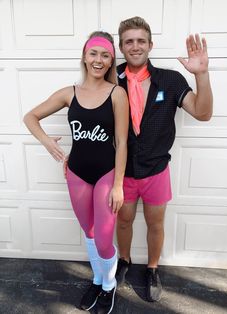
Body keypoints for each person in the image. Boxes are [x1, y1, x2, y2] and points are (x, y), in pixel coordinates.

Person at [23, 31, 129, 314]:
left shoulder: (117, 94)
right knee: (90, 232)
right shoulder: (68, 93)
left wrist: (118, 184)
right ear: (84, 56)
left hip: (107, 174)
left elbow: (121, 143)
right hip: (78, 174)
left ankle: (109, 285)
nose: (98, 60)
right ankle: (97, 279)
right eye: (93, 53)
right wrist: (47, 142)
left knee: (105, 238)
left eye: (105, 55)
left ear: (110, 61)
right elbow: (30, 117)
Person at [115, 16, 213, 302]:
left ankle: (153, 269)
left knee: (155, 223)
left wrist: (201, 75)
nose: (135, 46)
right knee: (124, 221)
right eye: (129, 41)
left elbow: (203, 113)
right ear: (121, 47)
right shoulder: (111, 79)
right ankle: (124, 260)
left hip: (156, 169)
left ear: (150, 45)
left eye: (141, 41)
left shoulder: (170, 80)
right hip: (122, 171)